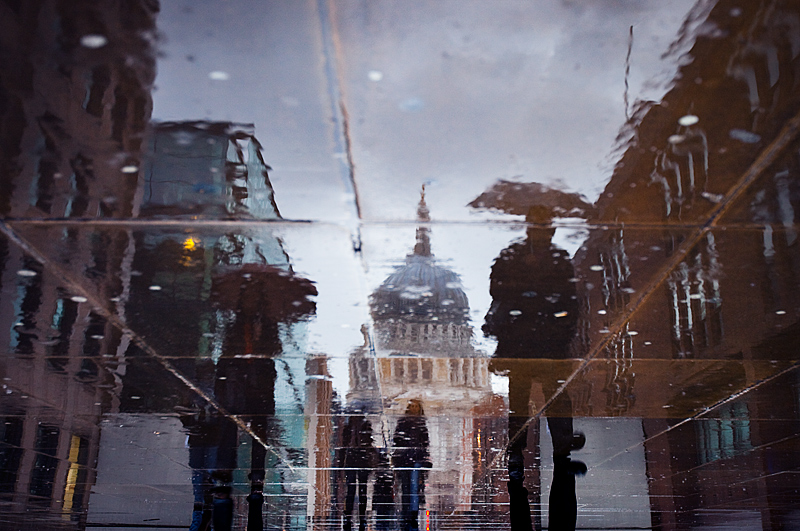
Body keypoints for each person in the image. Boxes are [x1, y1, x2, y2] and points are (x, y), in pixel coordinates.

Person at [484, 206, 586, 531]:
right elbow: (496, 288)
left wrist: (563, 324)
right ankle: (527, 449)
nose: (544, 233)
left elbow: (570, 297)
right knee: (531, 395)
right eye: (542, 228)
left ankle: (549, 447)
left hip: (539, 339)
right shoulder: (524, 256)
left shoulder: (549, 258)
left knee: (547, 394)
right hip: (530, 337)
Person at [392, 399, 431, 531]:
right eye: (412, 406)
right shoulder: (403, 422)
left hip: (416, 459)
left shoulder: (421, 423)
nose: (414, 409)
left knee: (413, 487)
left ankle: (412, 514)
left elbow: (425, 442)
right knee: (405, 487)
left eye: (416, 407)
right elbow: (396, 440)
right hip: (404, 459)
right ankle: (407, 512)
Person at [339, 415, 378, 531]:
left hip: (359, 459)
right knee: (356, 490)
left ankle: (357, 518)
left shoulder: (358, 426)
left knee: (358, 490)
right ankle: (354, 518)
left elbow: (344, 445)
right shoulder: (355, 426)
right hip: (357, 459)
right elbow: (344, 445)